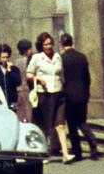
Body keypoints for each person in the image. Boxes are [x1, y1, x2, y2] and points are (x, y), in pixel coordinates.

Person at [27, 32, 75, 163]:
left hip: (58, 94)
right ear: (41, 46)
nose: (48, 47)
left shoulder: (58, 57)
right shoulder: (37, 58)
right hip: (45, 94)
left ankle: (65, 154)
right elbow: (29, 74)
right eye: (45, 44)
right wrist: (38, 79)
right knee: (46, 125)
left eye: (50, 44)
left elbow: (61, 74)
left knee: (60, 124)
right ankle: (44, 152)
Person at [59, 34, 100, 161]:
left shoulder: (62, 59)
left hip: (69, 95)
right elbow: (87, 77)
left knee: (71, 124)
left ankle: (77, 152)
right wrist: (87, 92)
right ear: (72, 42)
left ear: (61, 44)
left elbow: (62, 78)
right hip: (82, 94)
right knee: (82, 121)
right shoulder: (82, 57)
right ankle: (92, 142)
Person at [0, 44, 20, 109]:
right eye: (3, 57)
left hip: (12, 100)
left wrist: (10, 71)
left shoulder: (14, 69)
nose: (5, 60)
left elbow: (18, 82)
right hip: (0, 100)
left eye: (7, 57)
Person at [13, 38, 34, 123]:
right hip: (28, 90)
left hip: (18, 91)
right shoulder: (31, 61)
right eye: (30, 48)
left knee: (21, 115)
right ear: (27, 50)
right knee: (30, 114)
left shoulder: (15, 62)